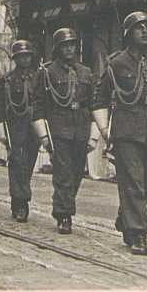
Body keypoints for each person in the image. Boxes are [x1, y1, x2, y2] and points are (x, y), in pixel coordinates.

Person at [93, 11, 147, 256]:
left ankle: (126, 216)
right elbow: (99, 99)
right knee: (133, 180)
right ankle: (139, 233)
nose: (144, 31)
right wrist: (104, 129)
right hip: (126, 129)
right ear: (128, 34)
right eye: (138, 28)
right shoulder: (116, 63)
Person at [40, 29, 100, 234]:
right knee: (63, 172)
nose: (69, 48)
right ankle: (64, 214)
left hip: (81, 126)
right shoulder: (47, 72)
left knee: (76, 173)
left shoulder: (86, 72)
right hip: (59, 126)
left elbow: (93, 104)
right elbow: (40, 104)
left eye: (72, 45)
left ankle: (62, 204)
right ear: (57, 48)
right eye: (65, 45)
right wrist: (43, 134)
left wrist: (94, 134)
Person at [0, 40, 50, 222]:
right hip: (15, 127)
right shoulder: (8, 80)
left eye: (27, 56)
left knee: (28, 164)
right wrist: (1, 131)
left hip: (33, 127)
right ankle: (21, 202)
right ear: (15, 58)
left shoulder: (39, 77)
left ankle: (18, 197)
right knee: (17, 163)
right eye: (21, 56)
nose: (25, 59)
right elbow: (0, 107)